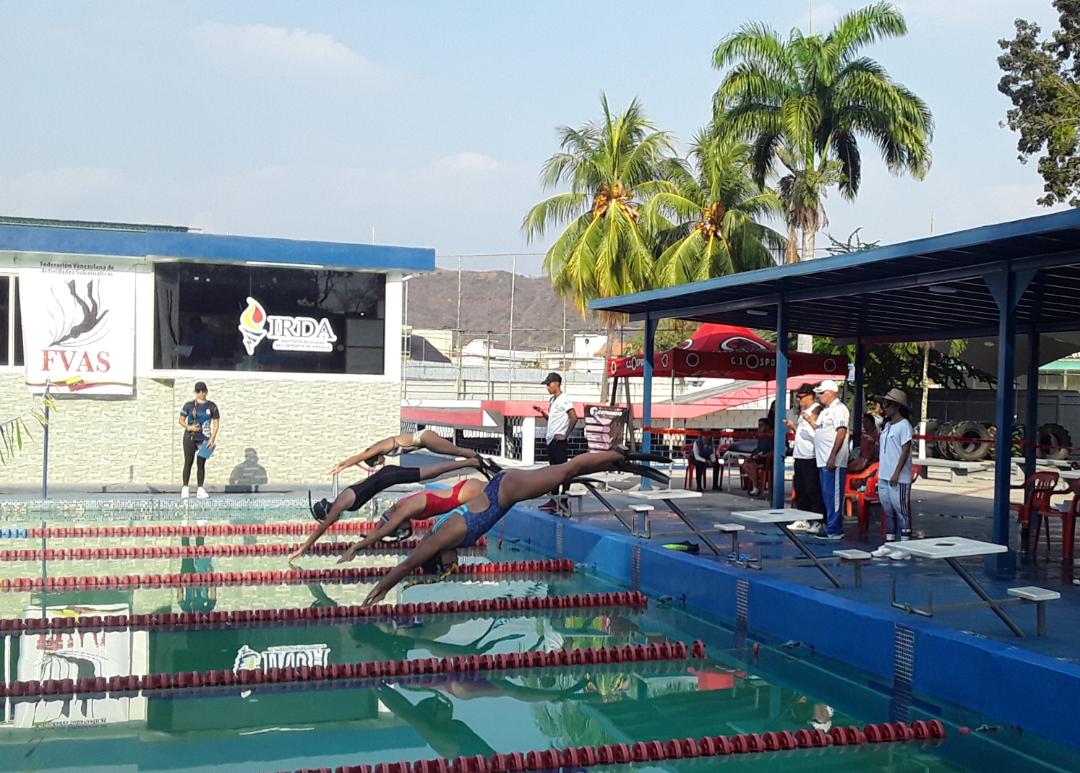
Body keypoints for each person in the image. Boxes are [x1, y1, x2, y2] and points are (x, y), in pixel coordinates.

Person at [360, 448, 669, 606]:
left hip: (506, 491)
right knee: (567, 472)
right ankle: (618, 461)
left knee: (567, 470)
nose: (455, 565)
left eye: (448, 567)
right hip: (503, 488)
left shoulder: (443, 537)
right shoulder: (441, 536)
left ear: (439, 557)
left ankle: (622, 456)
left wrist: (381, 589)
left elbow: (408, 564)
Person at [289, 457, 494, 563]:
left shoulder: (340, 504)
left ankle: (472, 461)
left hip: (392, 477)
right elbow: (384, 525)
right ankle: (474, 462)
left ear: (327, 512)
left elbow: (323, 528)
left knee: (434, 471)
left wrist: (304, 547)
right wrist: (368, 539)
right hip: (390, 477)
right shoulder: (347, 497)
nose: (333, 520)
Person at [333, 476, 489, 563]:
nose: (403, 531)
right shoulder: (400, 507)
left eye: (399, 530)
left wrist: (355, 548)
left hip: (466, 493)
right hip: (464, 492)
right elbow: (382, 529)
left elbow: (383, 531)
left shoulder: (405, 509)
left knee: (501, 488)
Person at [872, 388, 915, 560]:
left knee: (901, 511)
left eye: (888, 404)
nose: (884, 407)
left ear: (897, 406)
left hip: (898, 477)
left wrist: (897, 472)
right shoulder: (888, 425)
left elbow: (905, 450)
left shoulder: (904, 425)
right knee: (888, 511)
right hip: (884, 474)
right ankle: (889, 543)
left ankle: (905, 547)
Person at [328, 429, 478, 475]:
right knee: (457, 452)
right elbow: (362, 456)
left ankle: (480, 460)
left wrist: (342, 465)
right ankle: (479, 461)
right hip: (425, 441)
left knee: (457, 451)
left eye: (377, 463)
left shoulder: (379, 448)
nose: (381, 463)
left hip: (424, 438)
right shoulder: (380, 449)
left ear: (376, 457)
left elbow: (360, 457)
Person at [809, 379, 849, 539]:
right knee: (827, 495)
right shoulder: (826, 411)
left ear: (831, 393)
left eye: (821, 393)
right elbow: (821, 430)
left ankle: (835, 529)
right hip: (823, 460)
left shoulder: (839, 409)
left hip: (833, 461)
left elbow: (841, 432)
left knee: (834, 496)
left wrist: (833, 456)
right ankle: (831, 525)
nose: (819, 396)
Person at [534, 372, 577, 510]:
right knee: (553, 472)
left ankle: (563, 500)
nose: (547, 387)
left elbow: (574, 417)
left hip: (559, 441)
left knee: (563, 471)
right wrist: (542, 413)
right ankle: (553, 500)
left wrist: (565, 435)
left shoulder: (564, 399)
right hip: (551, 439)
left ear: (556, 384)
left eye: (548, 384)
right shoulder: (553, 400)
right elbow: (552, 420)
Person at [786, 384, 825, 530]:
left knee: (812, 489)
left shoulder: (816, 410)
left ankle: (817, 520)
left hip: (811, 455)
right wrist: (794, 427)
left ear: (810, 396)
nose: (798, 400)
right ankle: (803, 518)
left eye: (801, 397)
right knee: (800, 488)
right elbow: (805, 432)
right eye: (797, 397)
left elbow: (819, 431)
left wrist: (810, 420)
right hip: (800, 454)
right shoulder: (804, 412)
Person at [179, 381, 220, 500]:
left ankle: (200, 489)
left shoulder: (212, 406)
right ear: (195, 392)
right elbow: (181, 420)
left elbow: (216, 423)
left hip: (204, 437)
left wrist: (212, 439)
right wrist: (189, 427)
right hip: (190, 436)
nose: (201, 394)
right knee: (188, 462)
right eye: (198, 391)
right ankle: (185, 488)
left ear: (206, 392)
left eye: (203, 391)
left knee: (201, 464)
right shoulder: (189, 405)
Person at [740, 418, 774, 497]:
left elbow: (773, 451)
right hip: (759, 457)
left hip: (768, 459)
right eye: (759, 425)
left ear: (767, 426)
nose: (759, 427)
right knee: (744, 464)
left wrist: (762, 456)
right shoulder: (761, 436)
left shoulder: (772, 436)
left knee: (752, 465)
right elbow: (759, 448)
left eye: (761, 425)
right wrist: (753, 455)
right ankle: (756, 484)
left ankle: (756, 487)